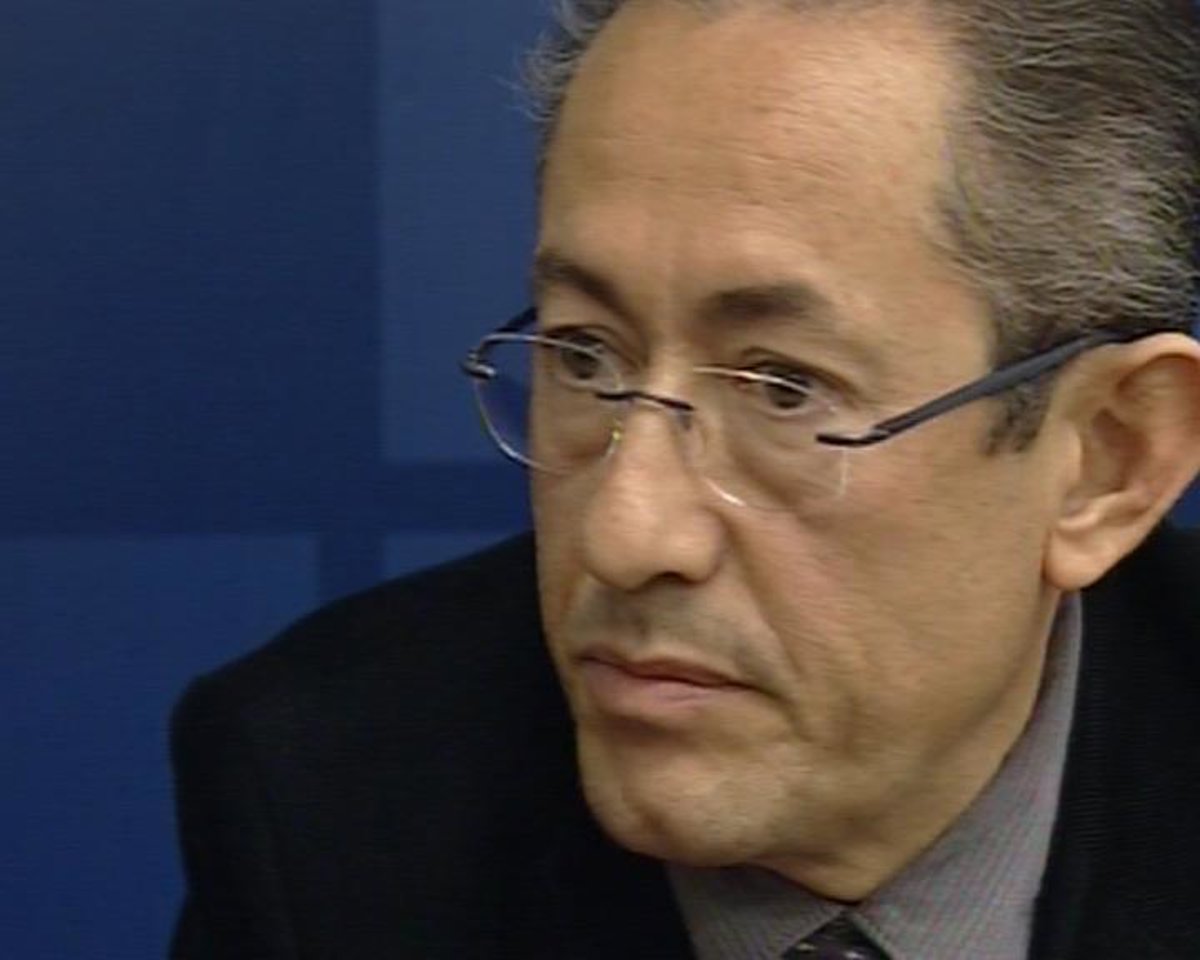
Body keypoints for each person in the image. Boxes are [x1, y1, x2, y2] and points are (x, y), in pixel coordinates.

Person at [169, 0, 1200, 957]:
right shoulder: (331, 803)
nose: (626, 535)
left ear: (1107, 461)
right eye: (585, 356)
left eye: (784, 388)